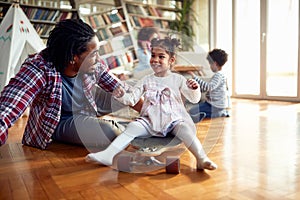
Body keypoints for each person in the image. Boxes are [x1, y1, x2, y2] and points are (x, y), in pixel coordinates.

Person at [87, 37, 218, 171]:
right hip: (149, 121)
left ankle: (201, 158)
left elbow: (194, 99)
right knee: (132, 126)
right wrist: (122, 96)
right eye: (153, 55)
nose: (155, 59)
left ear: (171, 60)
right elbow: (132, 99)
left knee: (185, 129)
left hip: (173, 121)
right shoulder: (146, 80)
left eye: (161, 56)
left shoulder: (178, 79)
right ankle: (108, 154)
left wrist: (194, 89)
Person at [0, 19, 129, 150]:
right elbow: (9, 107)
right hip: (62, 120)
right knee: (108, 132)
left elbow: (120, 89)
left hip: (89, 104)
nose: (98, 59)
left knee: (131, 91)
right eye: (93, 54)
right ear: (73, 57)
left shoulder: (93, 63)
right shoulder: (39, 69)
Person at [188, 48, 229, 122]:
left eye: (210, 64)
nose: (210, 66)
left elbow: (208, 87)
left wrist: (195, 77)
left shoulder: (218, 76)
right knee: (195, 109)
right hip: (214, 104)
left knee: (192, 111)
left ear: (215, 63)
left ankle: (219, 113)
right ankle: (219, 112)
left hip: (214, 106)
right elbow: (207, 88)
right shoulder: (220, 75)